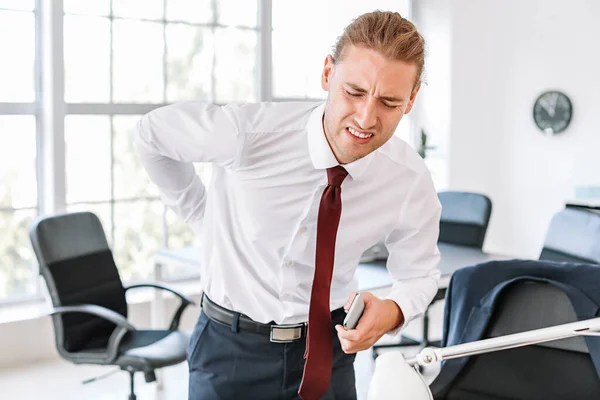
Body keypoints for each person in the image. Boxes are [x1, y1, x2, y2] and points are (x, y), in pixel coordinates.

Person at [135, 10, 441, 400]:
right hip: (231, 350)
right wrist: (202, 215)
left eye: (389, 102)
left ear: (411, 99)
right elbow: (151, 135)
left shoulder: (408, 179)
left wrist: (394, 309)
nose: (366, 117)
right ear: (328, 73)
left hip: (329, 353)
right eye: (355, 92)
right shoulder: (247, 134)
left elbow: (420, 273)